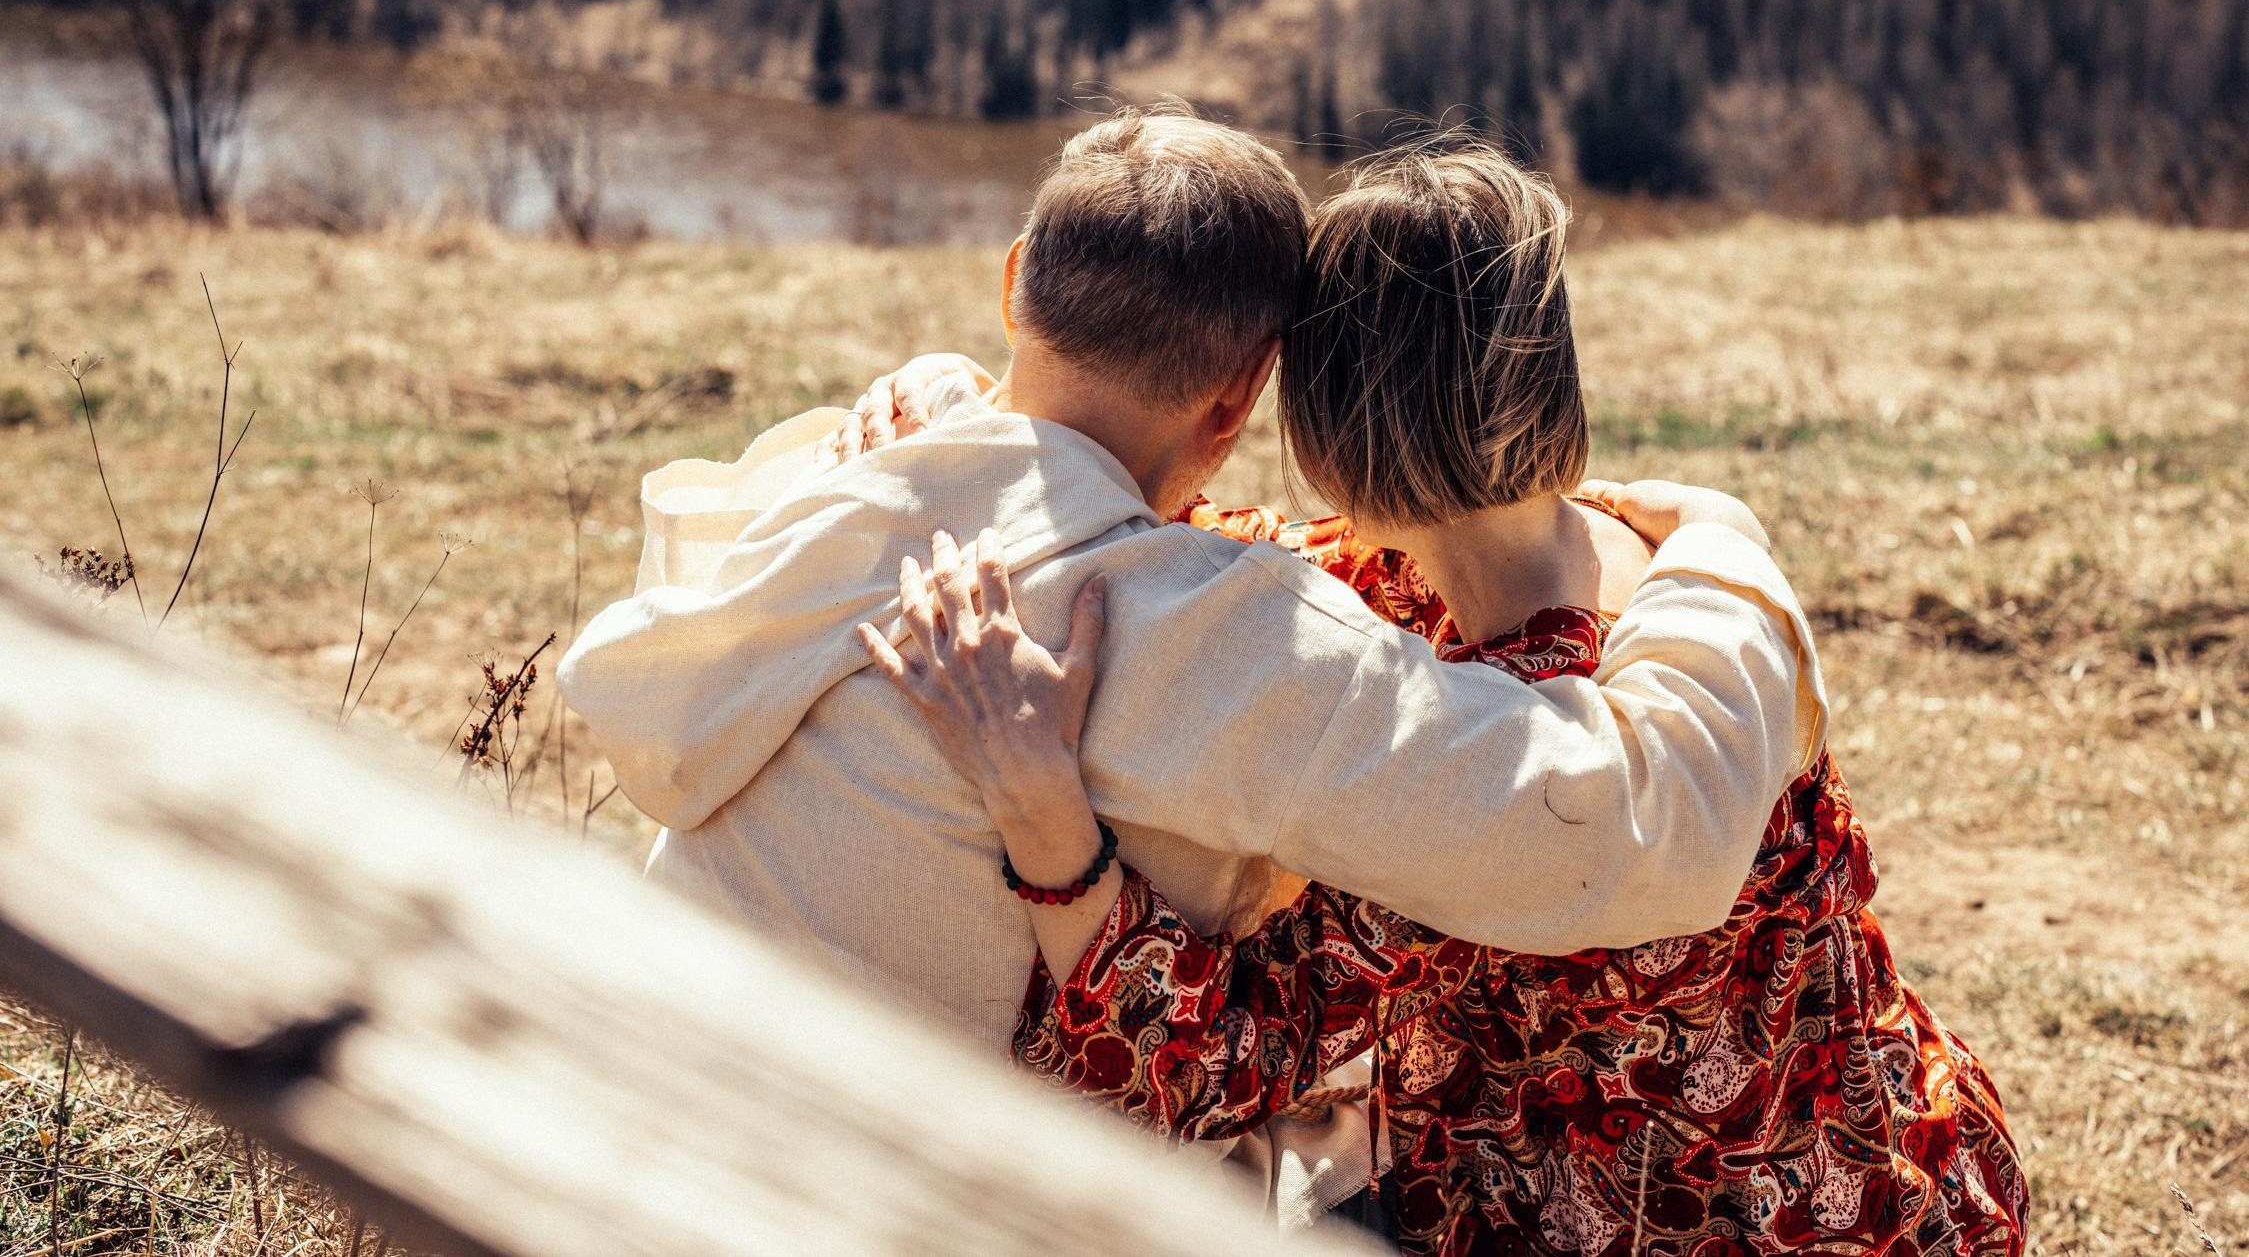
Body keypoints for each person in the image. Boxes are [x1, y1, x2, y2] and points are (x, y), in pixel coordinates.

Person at [557, 108, 1825, 1224]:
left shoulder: (852, 486)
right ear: (1237, 403)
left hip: (612, 1109)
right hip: (872, 1201)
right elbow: (1632, 827)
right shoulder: (1206, 639)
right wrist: (1723, 547)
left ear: (1014, 286)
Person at [865, 138, 2026, 1254]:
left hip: (1677, 1225)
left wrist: (1048, 830)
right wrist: (953, 405)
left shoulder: (1491, 746)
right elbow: (1145, 522)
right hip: (1895, 1158)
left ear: (1325, 426)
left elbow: (1198, 1067)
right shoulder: (1637, 562)